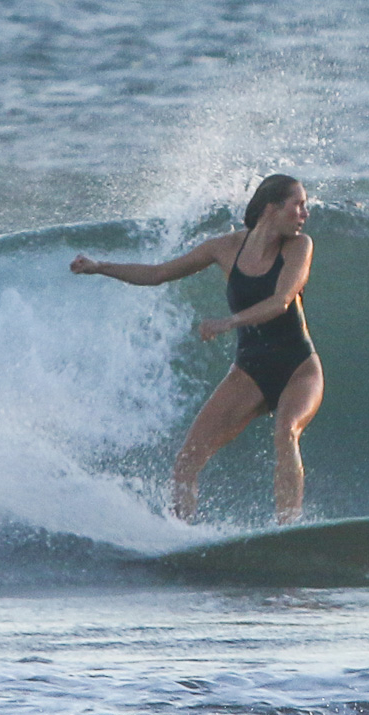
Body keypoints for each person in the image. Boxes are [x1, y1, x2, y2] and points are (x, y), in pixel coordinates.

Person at [69, 174, 322, 525]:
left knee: (286, 432)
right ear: (272, 208)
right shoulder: (224, 248)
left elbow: (281, 301)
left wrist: (227, 322)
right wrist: (100, 267)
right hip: (250, 370)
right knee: (188, 458)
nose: (304, 213)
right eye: (298, 205)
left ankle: (288, 529)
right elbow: (158, 273)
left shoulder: (299, 246)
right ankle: (181, 533)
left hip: (299, 368)